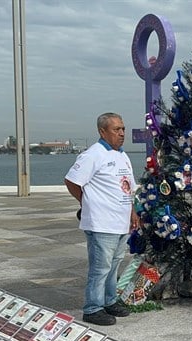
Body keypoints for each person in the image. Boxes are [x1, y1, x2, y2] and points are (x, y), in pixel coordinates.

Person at [64, 112, 139, 326]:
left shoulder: (122, 155)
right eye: (117, 129)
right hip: (102, 223)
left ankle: (109, 300)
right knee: (100, 267)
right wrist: (86, 203)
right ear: (102, 131)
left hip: (121, 223)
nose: (122, 133)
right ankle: (93, 308)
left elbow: (128, 189)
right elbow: (72, 181)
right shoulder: (93, 154)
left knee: (114, 265)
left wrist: (132, 212)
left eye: (123, 128)